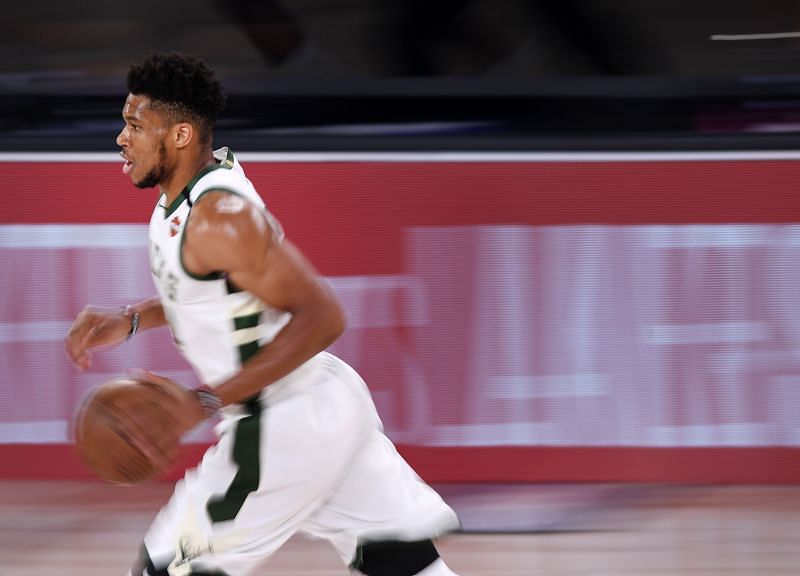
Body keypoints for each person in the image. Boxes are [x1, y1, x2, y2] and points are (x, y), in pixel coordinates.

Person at [64, 52, 461, 576]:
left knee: (165, 568)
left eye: (135, 125)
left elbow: (323, 316)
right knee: (402, 564)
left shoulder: (219, 219)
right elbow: (214, 292)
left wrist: (202, 401)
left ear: (180, 135)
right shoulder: (185, 201)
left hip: (280, 424)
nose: (122, 137)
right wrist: (132, 318)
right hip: (323, 405)